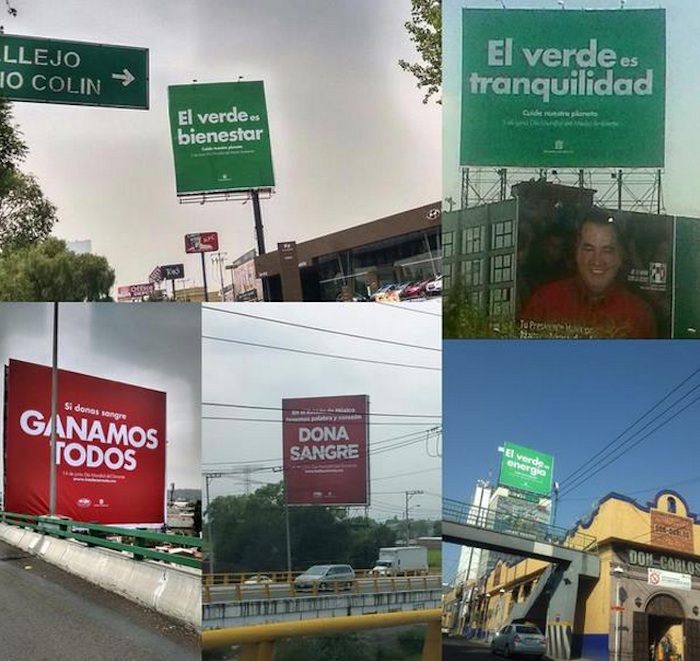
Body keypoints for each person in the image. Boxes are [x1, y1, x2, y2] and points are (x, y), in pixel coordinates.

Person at [519, 212, 656, 338]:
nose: (597, 261)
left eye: (607, 250)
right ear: (577, 253)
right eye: (589, 249)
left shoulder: (639, 314)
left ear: (619, 257)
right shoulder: (544, 302)